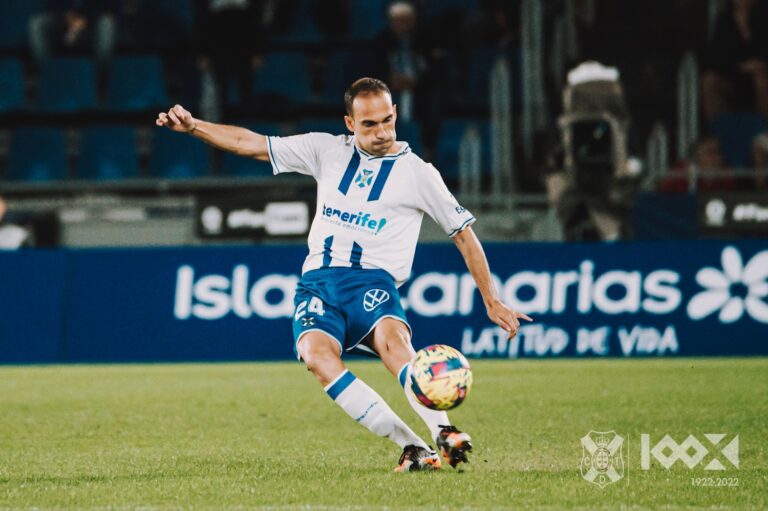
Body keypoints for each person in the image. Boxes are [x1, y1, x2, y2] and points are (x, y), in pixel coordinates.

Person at [155, 78, 531, 472]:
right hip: (317, 283)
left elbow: (464, 236)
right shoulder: (326, 150)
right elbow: (250, 143)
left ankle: (444, 431)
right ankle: (413, 447)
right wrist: (195, 126)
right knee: (317, 359)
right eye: (369, 124)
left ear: (395, 114)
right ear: (350, 123)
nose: (382, 132)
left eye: (387, 121)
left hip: (372, 281)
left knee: (394, 343)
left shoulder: (419, 174)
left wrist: (491, 299)